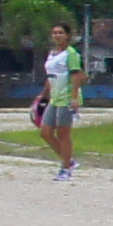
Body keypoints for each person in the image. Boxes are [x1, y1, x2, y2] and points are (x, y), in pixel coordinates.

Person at [36, 21, 83, 180]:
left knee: (63, 134)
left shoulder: (71, 54)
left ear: (67, 36)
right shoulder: (52, 54)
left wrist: (74, 98)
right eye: (55, 33)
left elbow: (77, 76)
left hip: (67, 98)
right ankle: (68, 161)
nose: (57, 35)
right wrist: (43, 95)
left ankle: (65, 169)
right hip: (55, 98)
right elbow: (51, 76)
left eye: (60, 33)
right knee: (45, 132)